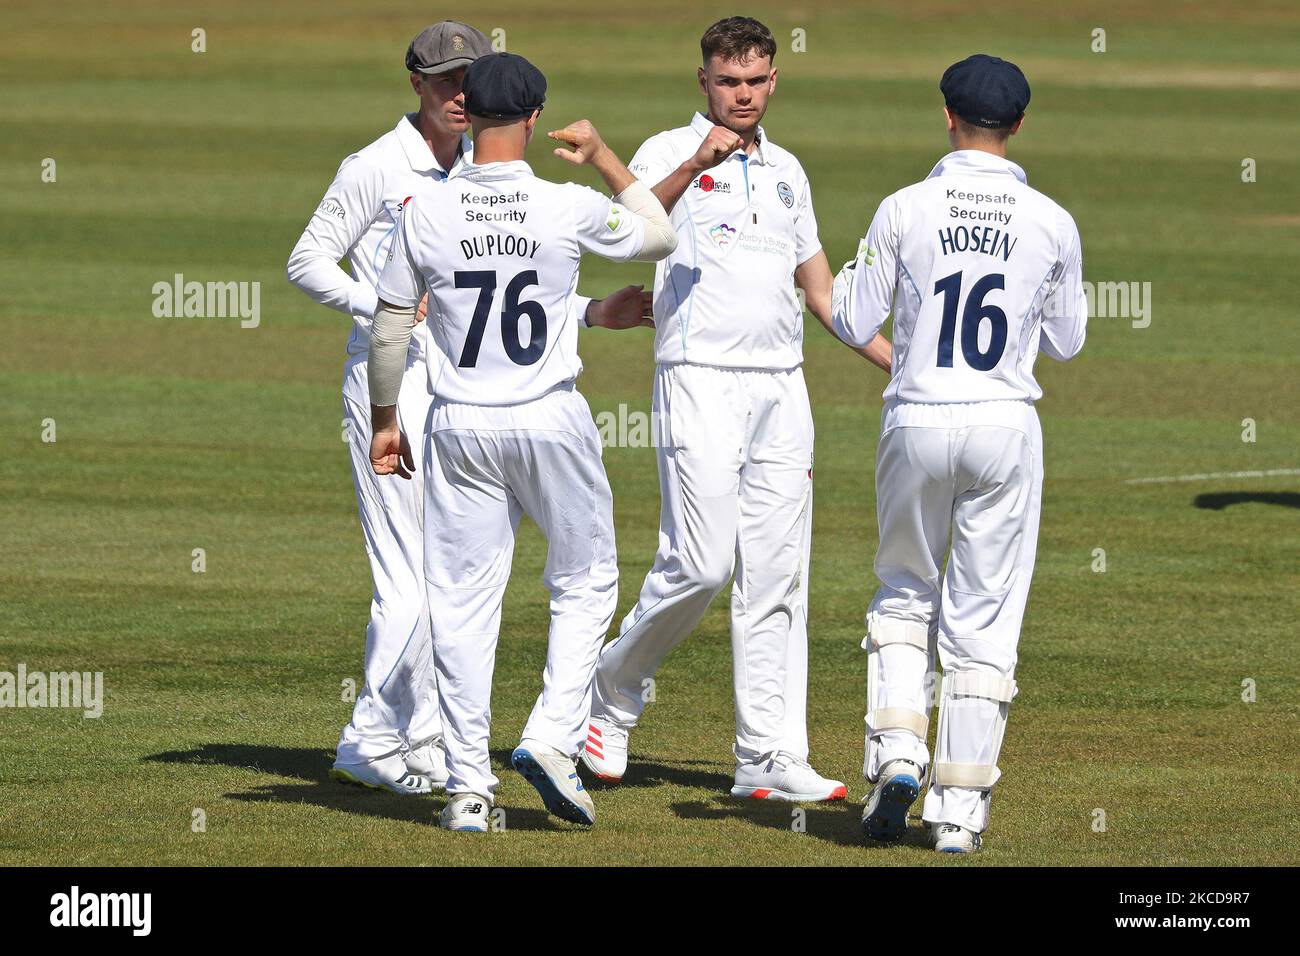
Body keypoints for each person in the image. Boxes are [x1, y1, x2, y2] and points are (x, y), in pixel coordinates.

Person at [287, 24, 649, 795]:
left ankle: (408, 749)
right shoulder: (378, 168)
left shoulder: (472, 176)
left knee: (447, 579)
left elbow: (510, 287)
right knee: (414, 582)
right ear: (416, 83)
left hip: (459, 390)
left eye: (470, 80)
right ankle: (390, 746)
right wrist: (386, 310)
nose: (459, 94)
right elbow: (307, 259)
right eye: (446, 80)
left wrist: (584, 315)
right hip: (395, 382)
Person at [581, 16, 890, 803]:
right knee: (701, 562)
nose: (742, 95)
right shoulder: (665, 151)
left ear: (774, 81)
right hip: (698, 376)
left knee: (779, 576)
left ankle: (769, 755)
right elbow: (627, 233)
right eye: (728, 81)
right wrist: (695, 163)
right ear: (704, 82)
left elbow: (822, 292)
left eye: (755, 81)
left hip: (782, 387)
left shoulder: (789, 170)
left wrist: (903, 365)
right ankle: (612, 689)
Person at [366, 52, 677, 831]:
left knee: (463, 604)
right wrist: (605, 156)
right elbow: (658, 235)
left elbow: (390, 326)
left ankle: (470, 789)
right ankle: (550, 733)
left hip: (459, 423)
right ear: (536, 118)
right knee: (588, 579)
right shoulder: (563, 206)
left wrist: (383, 420)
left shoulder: (424, 211)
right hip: (548, 418)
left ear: (463, 111)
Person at [833, 54, 1087, 853]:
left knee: (905, 590)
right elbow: (1069, 341)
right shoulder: (1051, 219)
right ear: (1018, 124)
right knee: (982, 620)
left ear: (947, 115)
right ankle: (958, 812)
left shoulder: (905, 206)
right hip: (1005, 424)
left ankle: (898, 752)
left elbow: (850, 315)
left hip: (916, 417)